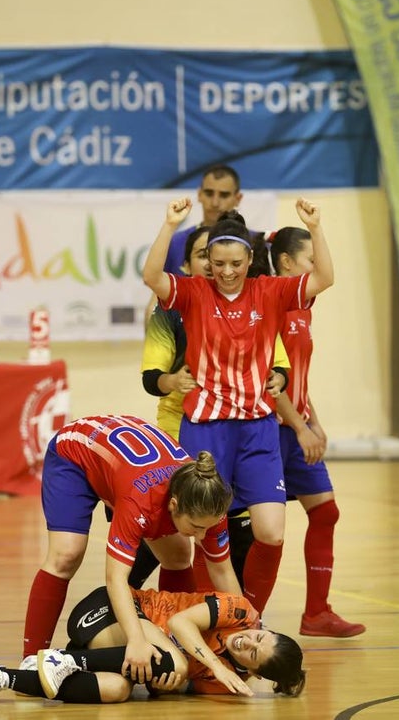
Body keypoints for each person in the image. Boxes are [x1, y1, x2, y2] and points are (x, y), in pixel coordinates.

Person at [142, 196, 334, 617]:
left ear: (250, 260)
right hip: (206, 429)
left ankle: (249, 618)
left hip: (258, 429)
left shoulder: (269, 291)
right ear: (208, 263)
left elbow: (324, 277)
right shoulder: (194, 292)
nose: (227, 272)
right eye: (218, 263)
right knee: (207, 531)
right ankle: (212, 620)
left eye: (236, 263)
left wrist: (316, 228)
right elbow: (151, 276)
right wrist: (169, 225)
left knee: (271, 532)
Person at [20, 414, 240, 683]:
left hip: (126, 466)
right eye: (196, 527)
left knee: (179, 555)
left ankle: (171, 644)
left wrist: (247, 625)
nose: (202, 536)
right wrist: (136, 641)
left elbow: (223, 571)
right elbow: (115, 578)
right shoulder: (141, 501)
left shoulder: (210, 500)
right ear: (173, 505)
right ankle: (30, 659)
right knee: (66, 555)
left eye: (206, 528)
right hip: (75, 451)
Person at [136, 220, 287, 591]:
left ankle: (236, 613)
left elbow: (277, 362)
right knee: (179, 532)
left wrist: (280, 377)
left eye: (226, 259)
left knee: (248, 530)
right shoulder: (173, 307)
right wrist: (174, 381)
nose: (216, 266)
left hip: (245, 426)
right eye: (206, 256)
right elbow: (151, 379)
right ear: (187, 264)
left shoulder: (254, 301)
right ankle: (144, 596)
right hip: (182, 426)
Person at [0, 585, 305, 706]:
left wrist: (165, 687)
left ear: (254, 673)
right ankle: (65, 659)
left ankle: (1, 677)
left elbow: (170, 685)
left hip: (124, 652)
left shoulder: (231, 682)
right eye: (260, 636)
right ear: (266, 629)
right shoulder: (242, 611)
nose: (247, 641)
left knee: (117, 690)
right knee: (175, 662)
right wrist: (214, 665)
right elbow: (179, 624)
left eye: (252, 654)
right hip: (112, 609)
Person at [268, 226, 365, 637]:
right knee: (260, 530)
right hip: (271, 431)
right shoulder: (272, 302)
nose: (318, 267)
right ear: (287, 262)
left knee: (325, 512)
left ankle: (317, 613)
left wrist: (314, 420)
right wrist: (299, 425)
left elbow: (296, 376)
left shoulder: (303, 307)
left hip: (296, 426)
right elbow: (268, 381)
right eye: (311, 259)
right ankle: (241, 615)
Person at [163, 164, 244, 275]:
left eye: (224, 195)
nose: (215, 203)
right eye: (209, 193)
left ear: (238, 198)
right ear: (199, 194)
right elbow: (157, 284)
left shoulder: (254, 242)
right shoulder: (176, 242)